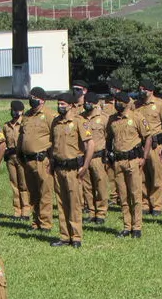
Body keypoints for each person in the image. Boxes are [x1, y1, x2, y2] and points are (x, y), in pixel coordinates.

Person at [49, 92, 95, 248]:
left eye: (63, 104)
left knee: (74, 203)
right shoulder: (55, 122)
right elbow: (52, 145)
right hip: (58, 168)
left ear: (71, 105)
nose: (59, 106)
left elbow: (90, 145)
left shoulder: (79, 121)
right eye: (58, 103)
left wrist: (85, 165)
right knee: (61, 203)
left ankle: (76, 236)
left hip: (74, 169)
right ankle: (64, 236)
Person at [107, 91, 152, 238]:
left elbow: (148, 137)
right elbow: (109, 138)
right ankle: (127, 226)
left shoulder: (137, 117)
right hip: (118, 161)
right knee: (123, 195)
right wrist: (109, 154)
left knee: (135, 194)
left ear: (126, 103)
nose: (116, 103)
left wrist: (144, 157)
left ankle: (137, 227)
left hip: (133, 160)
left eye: (118, 101)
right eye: (115, 101)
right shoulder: (112, 120)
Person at [19, 87, 55, 232]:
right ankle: (36, 222)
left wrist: (52, 160)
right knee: (32, 193)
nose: (31, 99)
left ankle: (45, 224)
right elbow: (22, 135)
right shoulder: (27, 115)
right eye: (30, 96)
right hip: (28, 160)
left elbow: (55, 138)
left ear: (42, 99)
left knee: (44, 193)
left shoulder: (49, 115)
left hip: (43, 160)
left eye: (34, 97)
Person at [135, 79, 162, 216]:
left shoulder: (160, 105)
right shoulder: (136, 105)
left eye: (145, 89)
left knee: (156, 175)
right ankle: (144, 203)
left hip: (155, 146)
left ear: (151, 91)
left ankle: (157, 205)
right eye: (140, 89)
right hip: (140, 145)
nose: (142, 92)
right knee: (141, 175)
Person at [81, 92, 109, 224]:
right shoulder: (80, 118)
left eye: (90, 102)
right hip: (84, 157)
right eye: (86, 101)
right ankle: (91, 212)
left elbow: (109, 137)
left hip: (98, 157)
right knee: (87, 186)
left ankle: (101, 212)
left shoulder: (104, 118)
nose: (87, 104)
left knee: (101, 185)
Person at [3, 100, 31, 221]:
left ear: (22, 111)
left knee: (23, 184)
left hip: (21, 157)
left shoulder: (25, 123)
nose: (14, 113)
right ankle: (17, 210)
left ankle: (26, 210)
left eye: (17, 111)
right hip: (11, 157)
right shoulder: (7, 126)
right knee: (14, 184)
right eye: (13, 110)